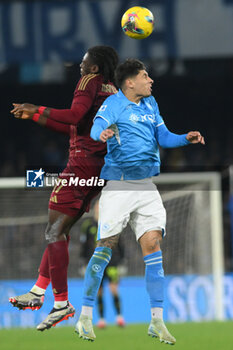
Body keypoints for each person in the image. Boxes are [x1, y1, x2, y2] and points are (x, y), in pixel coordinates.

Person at [75, 58, 205, 344]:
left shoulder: (151, 104)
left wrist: (185, 138)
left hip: (147, 186)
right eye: (146, 76)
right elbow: (96, 127)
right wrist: (102, 133)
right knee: (106, 246)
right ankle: (85, 315)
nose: (151, 81)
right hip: (120, 185)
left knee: (154, 245)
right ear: (130, 81)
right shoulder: (113, 104)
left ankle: (156, 320)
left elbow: (164, 137)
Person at [9, 46, 119, 331]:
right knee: (61, 230)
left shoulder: (88, 82)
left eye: (85, 62)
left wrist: (37, 108)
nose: (80, 65)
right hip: (100, 168)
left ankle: (60, 303)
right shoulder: (111, 89)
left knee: (54, 230)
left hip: (81, 165)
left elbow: (71, 116)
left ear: (94, 67)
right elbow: (76, 126)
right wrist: (34, 117)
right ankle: (37, 291)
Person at [80, 200, 125, 328]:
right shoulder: (88, 225)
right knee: (99, 291)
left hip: (112, 262)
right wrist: (83, 262)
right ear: (94, 209)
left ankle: (119, 317)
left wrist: (122, 261)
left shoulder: (112, 224)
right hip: (95, 263)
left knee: (114, 289)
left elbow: (120, 243)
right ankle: (101, 319)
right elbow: (84, 245)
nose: (99, 209)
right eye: (97, 206)